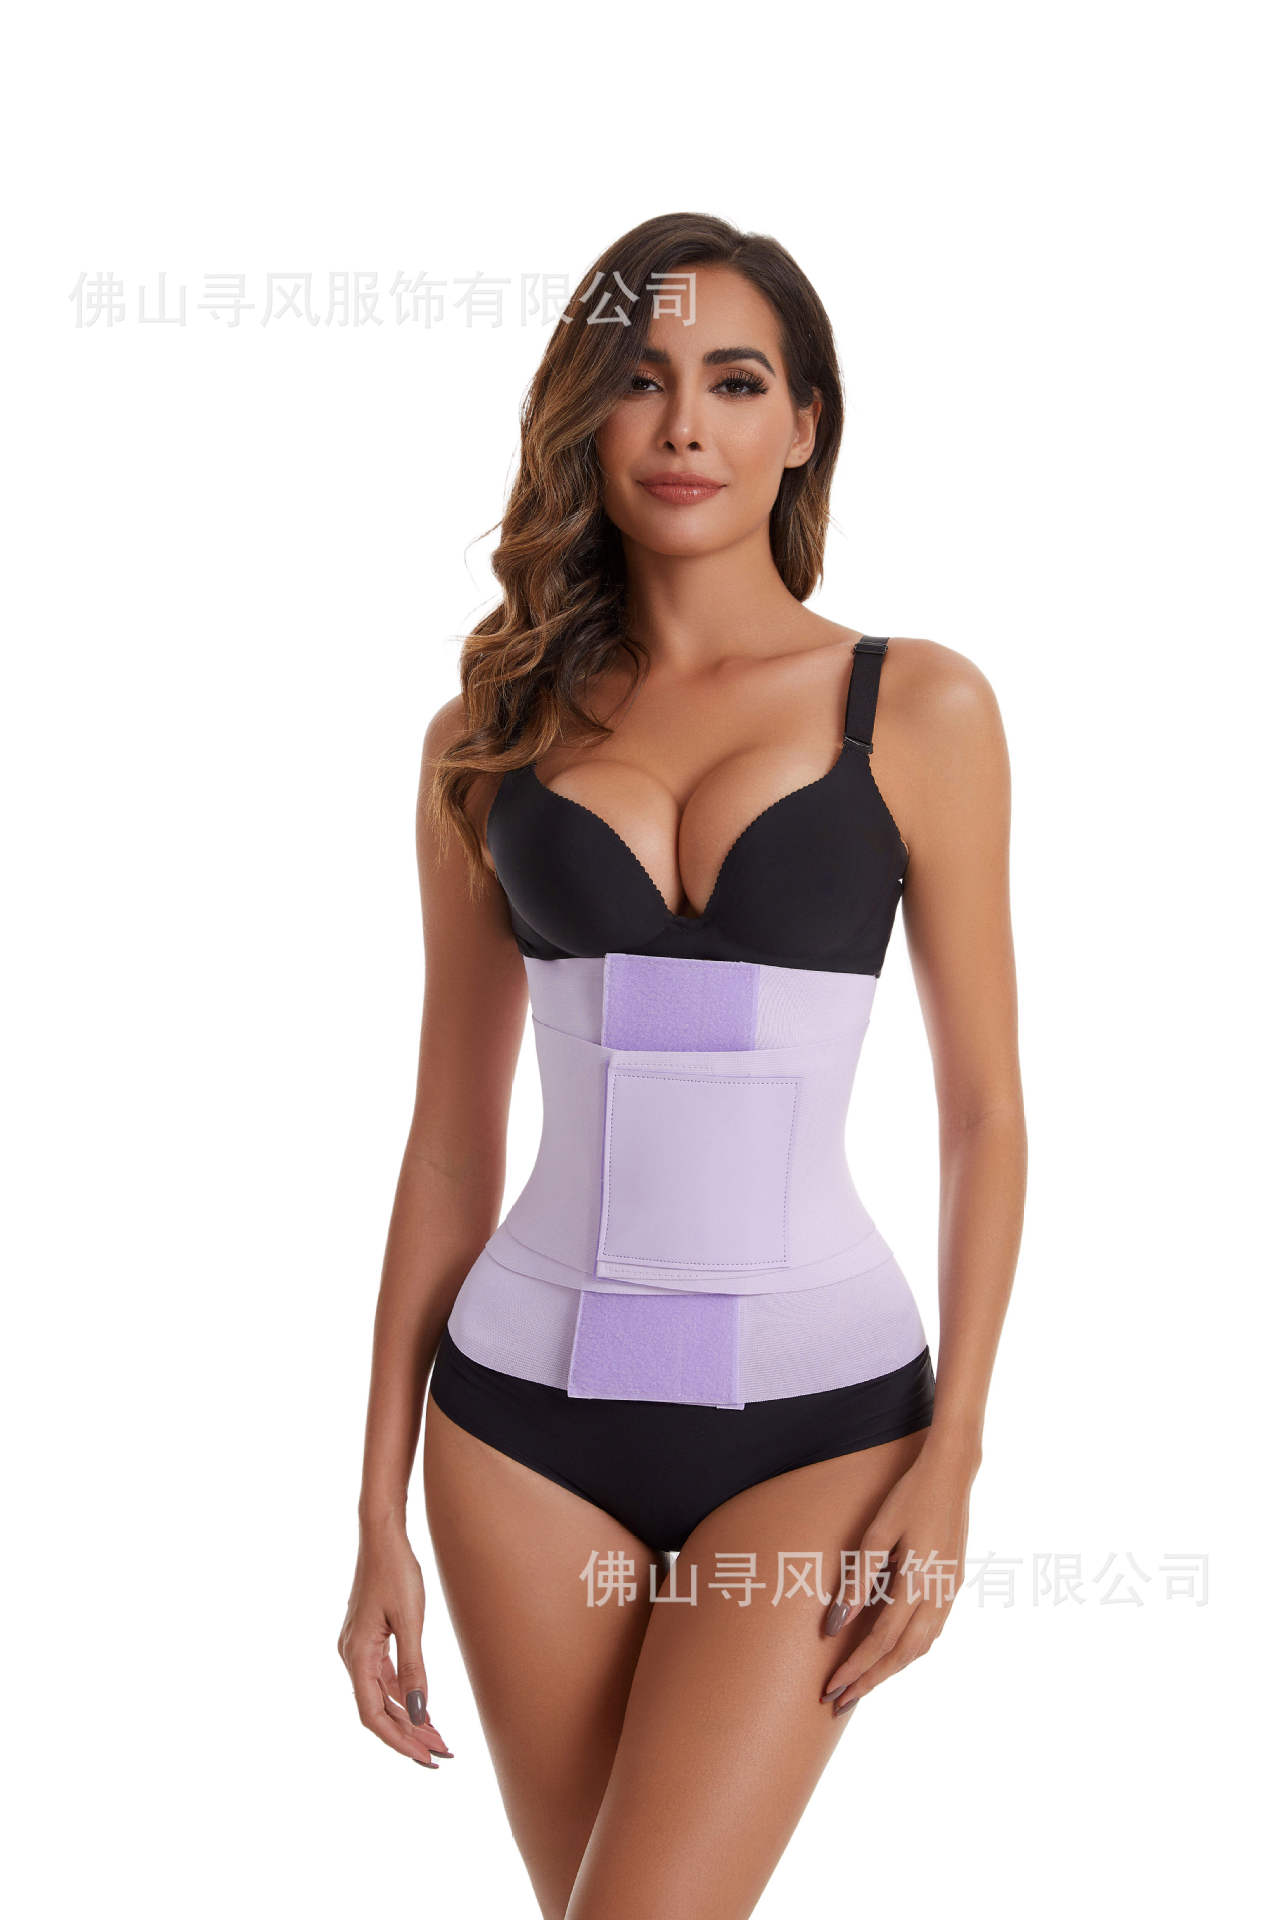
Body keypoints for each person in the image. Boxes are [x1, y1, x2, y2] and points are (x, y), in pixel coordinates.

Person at [338, 210, 1026, 1920]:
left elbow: (984, 1115)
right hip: (518, 1431)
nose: (684, 426)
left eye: (734, 381)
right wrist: (374, 1514)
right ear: (586, 417)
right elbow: (448, 1139)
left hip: (820, 1423)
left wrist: (955, 1456)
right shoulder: (488, 734)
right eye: (641, 380)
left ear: (804, 422)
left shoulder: (918, 708)